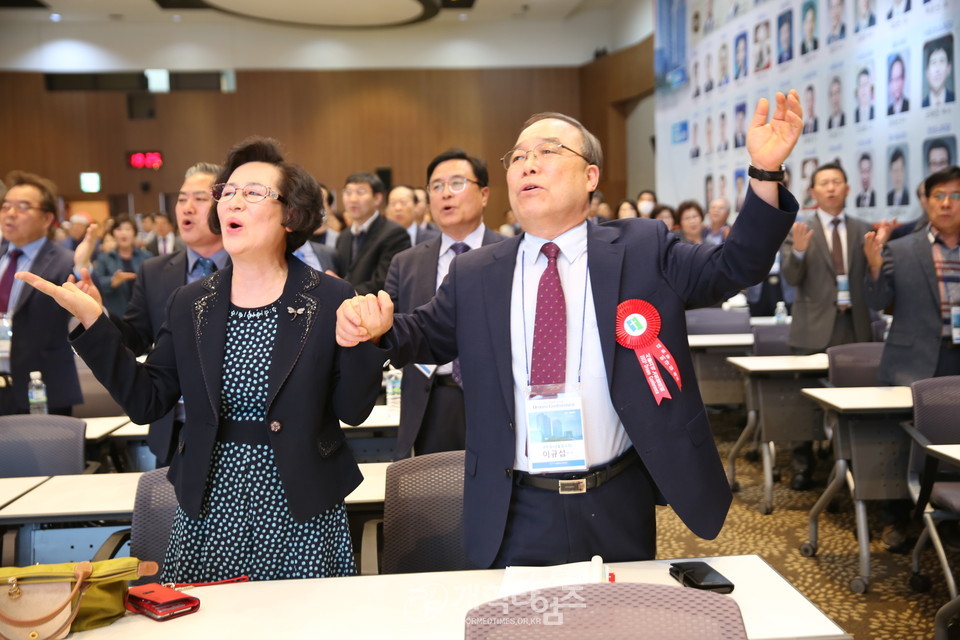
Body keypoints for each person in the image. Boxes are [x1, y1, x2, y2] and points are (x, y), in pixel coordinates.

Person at [336, 91, 803, 569]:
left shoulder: (642, 247)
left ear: (590, 177)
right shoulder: (477, 272)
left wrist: (765, 174)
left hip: (617, 495)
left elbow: (734, 265)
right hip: (516, 504)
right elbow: (421, 333)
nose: (527, 165)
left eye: (547, 152)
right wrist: (377, 327)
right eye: (517, 157)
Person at [18, 138, 384, 583]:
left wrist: (366, 339)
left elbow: (353, 409)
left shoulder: (329, 297)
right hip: (211, 498)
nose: (234, 200)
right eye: (227, 191)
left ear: (291, 215)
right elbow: (148, 401)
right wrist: (95, 325)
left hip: (301, 500)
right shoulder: (192, 301)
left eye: (253, 193)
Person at [73, 163, 231, 466]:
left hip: (243, 430)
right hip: (175, 429)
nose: (186, 207)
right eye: (182, 199)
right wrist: (99, 311)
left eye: (199, 199)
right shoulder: (156, 271)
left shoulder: (249, 270)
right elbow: (133, 339)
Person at [385, 149, 504, 459]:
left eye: (457, 183)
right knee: (435, 502)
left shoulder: (510, 254)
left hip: (496, 400)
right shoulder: (405, 263)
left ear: (485, 194)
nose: (445, 194)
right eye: (436, 187)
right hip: (429, 402)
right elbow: (394, 335)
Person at [781, 162, 874, 491]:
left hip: (855, 327)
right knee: (804, 401)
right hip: (813, 329)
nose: (832, 188)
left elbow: (874, 281)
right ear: (813, 192)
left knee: (856, 401)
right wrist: (801, 253)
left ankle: (852, 463)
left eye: (837, 182)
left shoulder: (865, 229)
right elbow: (791, 278)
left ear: (848, 189)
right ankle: (802, 465)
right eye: (825, 183)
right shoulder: (799, 231)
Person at [863, 165, 960, 385]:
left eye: (956, 196)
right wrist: (875, 267)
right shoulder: (899, 250)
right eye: (939, 196)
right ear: (926, 202)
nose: (947, 203)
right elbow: (877, 301)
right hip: (914, 365)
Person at [0, 171, 82, 416]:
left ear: (47, 218)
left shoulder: (66, 263)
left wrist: (83, 267)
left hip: (40, 386)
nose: (10, 214)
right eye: (6, 206)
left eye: (22, 207)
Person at [335, 172, 411, 295]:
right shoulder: (344, 236)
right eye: (348, 192)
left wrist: (346, 293)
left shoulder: (394, 233)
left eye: (360, 192)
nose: (352, 199)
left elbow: (385, 281)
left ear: (377, 199)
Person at [91, 215, 153, 317]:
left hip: (143, 314)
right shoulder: (104, 258)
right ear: (113, 233)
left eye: (128, 229)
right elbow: (95, 283)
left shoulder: (146, 257)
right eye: (119, 229)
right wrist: (112, 281)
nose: (123, 233)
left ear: (134, 233)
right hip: (116, 315)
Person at [923, 38, 955, 108]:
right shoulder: (922, 105)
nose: (937, 69)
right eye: (933, 62)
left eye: (942, 61)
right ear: (927, 71)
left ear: (949, 68)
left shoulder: (955, 98)